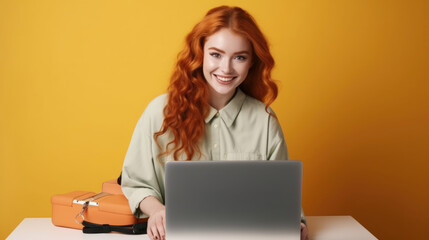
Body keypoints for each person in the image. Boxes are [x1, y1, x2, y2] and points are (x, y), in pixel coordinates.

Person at [121, 6, 309, 240]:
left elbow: (283, 196)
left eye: (239, 57)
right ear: (200, 53)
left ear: (252, 62)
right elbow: (136, 183)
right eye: (216, 54)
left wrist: (296, 224)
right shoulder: (159, 112)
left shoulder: (265, 120)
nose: (226, 68)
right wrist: (158, 211)